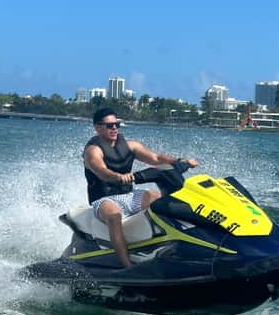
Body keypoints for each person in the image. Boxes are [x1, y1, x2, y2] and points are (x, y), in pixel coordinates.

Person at [84, 107, 198, 268]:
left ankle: (178, 245)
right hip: (104, 199)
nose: (114, 128)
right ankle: (127, 265)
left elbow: (156, 158)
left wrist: (180, 161)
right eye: (109, 125)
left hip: (129, 195)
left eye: (117, 124)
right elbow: (101, 171)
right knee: (114, 216)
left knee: (163, 200)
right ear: (97, 127)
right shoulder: (92, 151)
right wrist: (118, 177)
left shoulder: (130, 145)